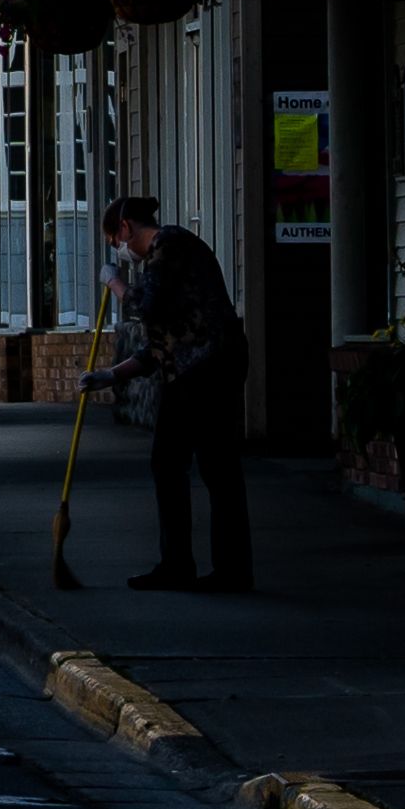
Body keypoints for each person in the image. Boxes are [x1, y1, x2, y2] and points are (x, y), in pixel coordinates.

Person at [93, 193, 253, 592]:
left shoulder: (171, 244)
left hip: (208, 369)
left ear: (126, 228)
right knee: (171, 463)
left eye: (116, 241)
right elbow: (163, 339)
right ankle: (180, 563)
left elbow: (147, 309)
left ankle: (226, 570)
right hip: (190, 371)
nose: (121, 250)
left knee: (215, 468)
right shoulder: (165, 258)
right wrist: (111, 375)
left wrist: (114, 282)